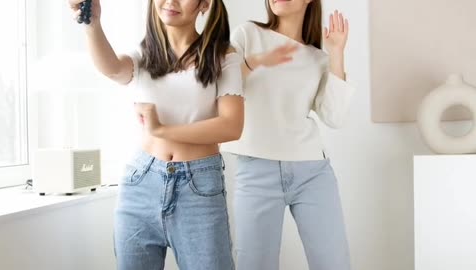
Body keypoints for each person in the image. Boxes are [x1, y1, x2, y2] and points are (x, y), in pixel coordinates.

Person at [68, 0, 244, 269]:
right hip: (141, 183)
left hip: (199, 188)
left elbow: (231, 126)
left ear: (205, 4)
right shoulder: (143, 54)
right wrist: (93, 25)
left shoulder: (223, 55)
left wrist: (161, 129)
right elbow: (113, 69)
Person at [221, 0, 355, 269]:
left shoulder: (318, 57)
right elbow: (222, 87)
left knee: (334, 263)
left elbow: (334, 116)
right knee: (254, 264)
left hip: (312, 172)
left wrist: (336, 53)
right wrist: (257, 62)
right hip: (256, 170)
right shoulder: (247, 34)